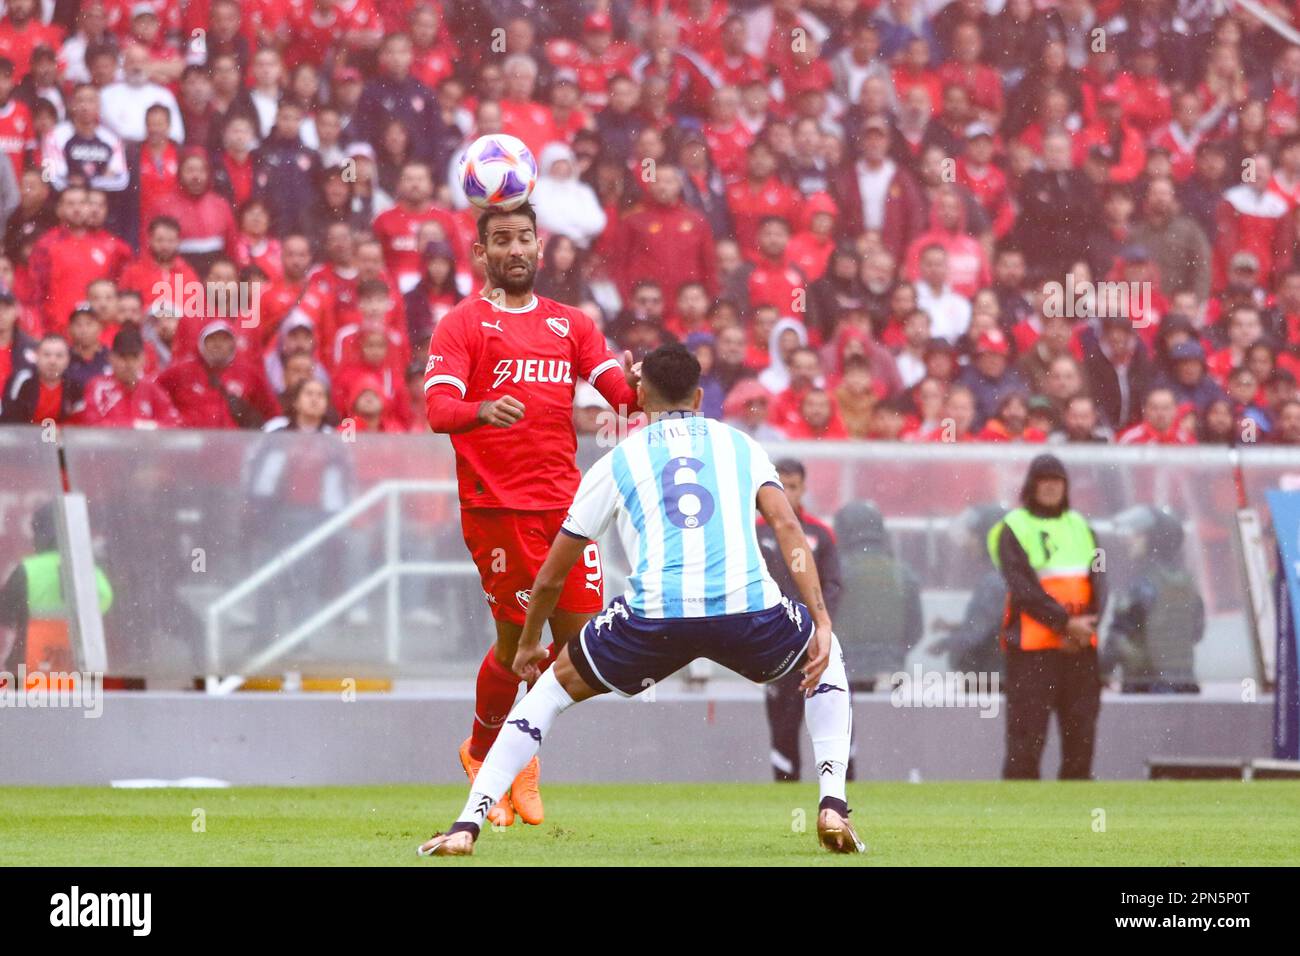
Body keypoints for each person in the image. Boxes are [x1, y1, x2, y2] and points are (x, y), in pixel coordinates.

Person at [419, 344, 862, 857]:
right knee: (827, 660)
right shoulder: (741, 445)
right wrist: (821, 620)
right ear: (699, 396)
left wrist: (526, 644)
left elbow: (550, 575)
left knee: (547, 693)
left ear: (639, 395)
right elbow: (788, 528)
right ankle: (833, 804)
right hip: (748, 609)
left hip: (654, 618)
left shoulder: (619, 459)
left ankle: (467, 826)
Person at [423, 200, 641, 828]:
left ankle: (499, 748)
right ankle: (499, 755)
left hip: (567, 509)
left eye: (524, 238)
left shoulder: (571, 324)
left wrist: (649, 384)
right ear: (481, 253)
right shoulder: (462, 325)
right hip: (498, 509)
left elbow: (621, 394)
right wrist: (481, 409)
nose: (515, 249)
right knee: (520, 642)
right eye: (502, 240)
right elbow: (439, 410)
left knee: (581, 648)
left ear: (540, 249)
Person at [988, 454, 1105, 780]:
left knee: (1081, 738)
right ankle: (1020, 820)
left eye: (1058, 480)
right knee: (1026, 741)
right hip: (1032, 652)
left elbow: (1100, 581)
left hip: (1080, 649)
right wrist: (1065, 624)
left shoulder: (1080, 525)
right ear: (1032, 485)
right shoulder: (1014, 527)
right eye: (1045, 479)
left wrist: (1088, 626)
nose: (1052, 486)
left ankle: (1077, 821)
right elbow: (1023, 587)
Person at [757, 458, 842, 782]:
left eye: (794, 486)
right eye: (782, 486)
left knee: (831, 713)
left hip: (814, 643)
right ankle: (785, 785)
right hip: (776, 642)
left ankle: (841, 789)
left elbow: (833, 584)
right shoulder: (755, 532)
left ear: (804, 489)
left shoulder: (820, 533)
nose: (788, 493)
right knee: (782, 719)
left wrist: (819, 625)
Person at [1103, 506, 1204, 694]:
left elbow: (1118, 635)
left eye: (1138, 534)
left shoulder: (1142, 585)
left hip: (1146, 686)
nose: (1129, 540)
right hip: (1185, 684)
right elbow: (1197, 632)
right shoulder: (1186, 583)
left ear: (1154, 539)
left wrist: (1100, 672)